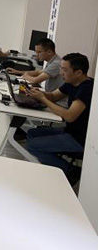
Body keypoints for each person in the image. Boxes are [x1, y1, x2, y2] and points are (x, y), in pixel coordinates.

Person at [26, 53, 93, 185]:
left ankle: (71, 171)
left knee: (33, 145)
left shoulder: (87, 89)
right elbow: (53, 96)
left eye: (64, 70)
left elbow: (69, 116)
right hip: (70, 131)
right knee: (32, 133)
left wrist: (42, 99)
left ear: (78, 72)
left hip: (80, 139)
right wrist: (37, 93)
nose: (61, 72)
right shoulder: (71, 82)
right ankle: (54, 163)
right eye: (61, 68)